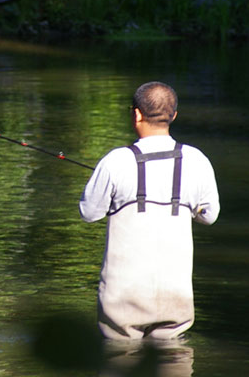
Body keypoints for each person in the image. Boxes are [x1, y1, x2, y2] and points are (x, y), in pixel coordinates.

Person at [79, 81, 220, 340]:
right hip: (174, 294)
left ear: (136, 114)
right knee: (171, 361)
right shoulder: (198, 160)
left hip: (123, 298)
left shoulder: (115, 161)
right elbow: (209, 216)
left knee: (119, 360)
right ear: (173, 115)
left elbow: (89, 213)